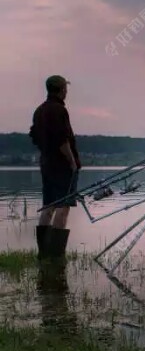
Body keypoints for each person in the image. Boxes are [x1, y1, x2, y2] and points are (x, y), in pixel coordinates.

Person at [29, 75, 81, 259]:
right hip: (62, 166)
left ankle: (44, 253)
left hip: (47, 164)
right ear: (60, 90)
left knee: (48, 205)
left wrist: (46, 150)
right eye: (65, 88)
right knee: (63, 206)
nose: (67, 91)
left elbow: (34, 135)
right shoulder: (59, 110)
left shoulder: (39, 110)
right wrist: (72, 162)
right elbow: (62, 139)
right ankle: (56, 254)